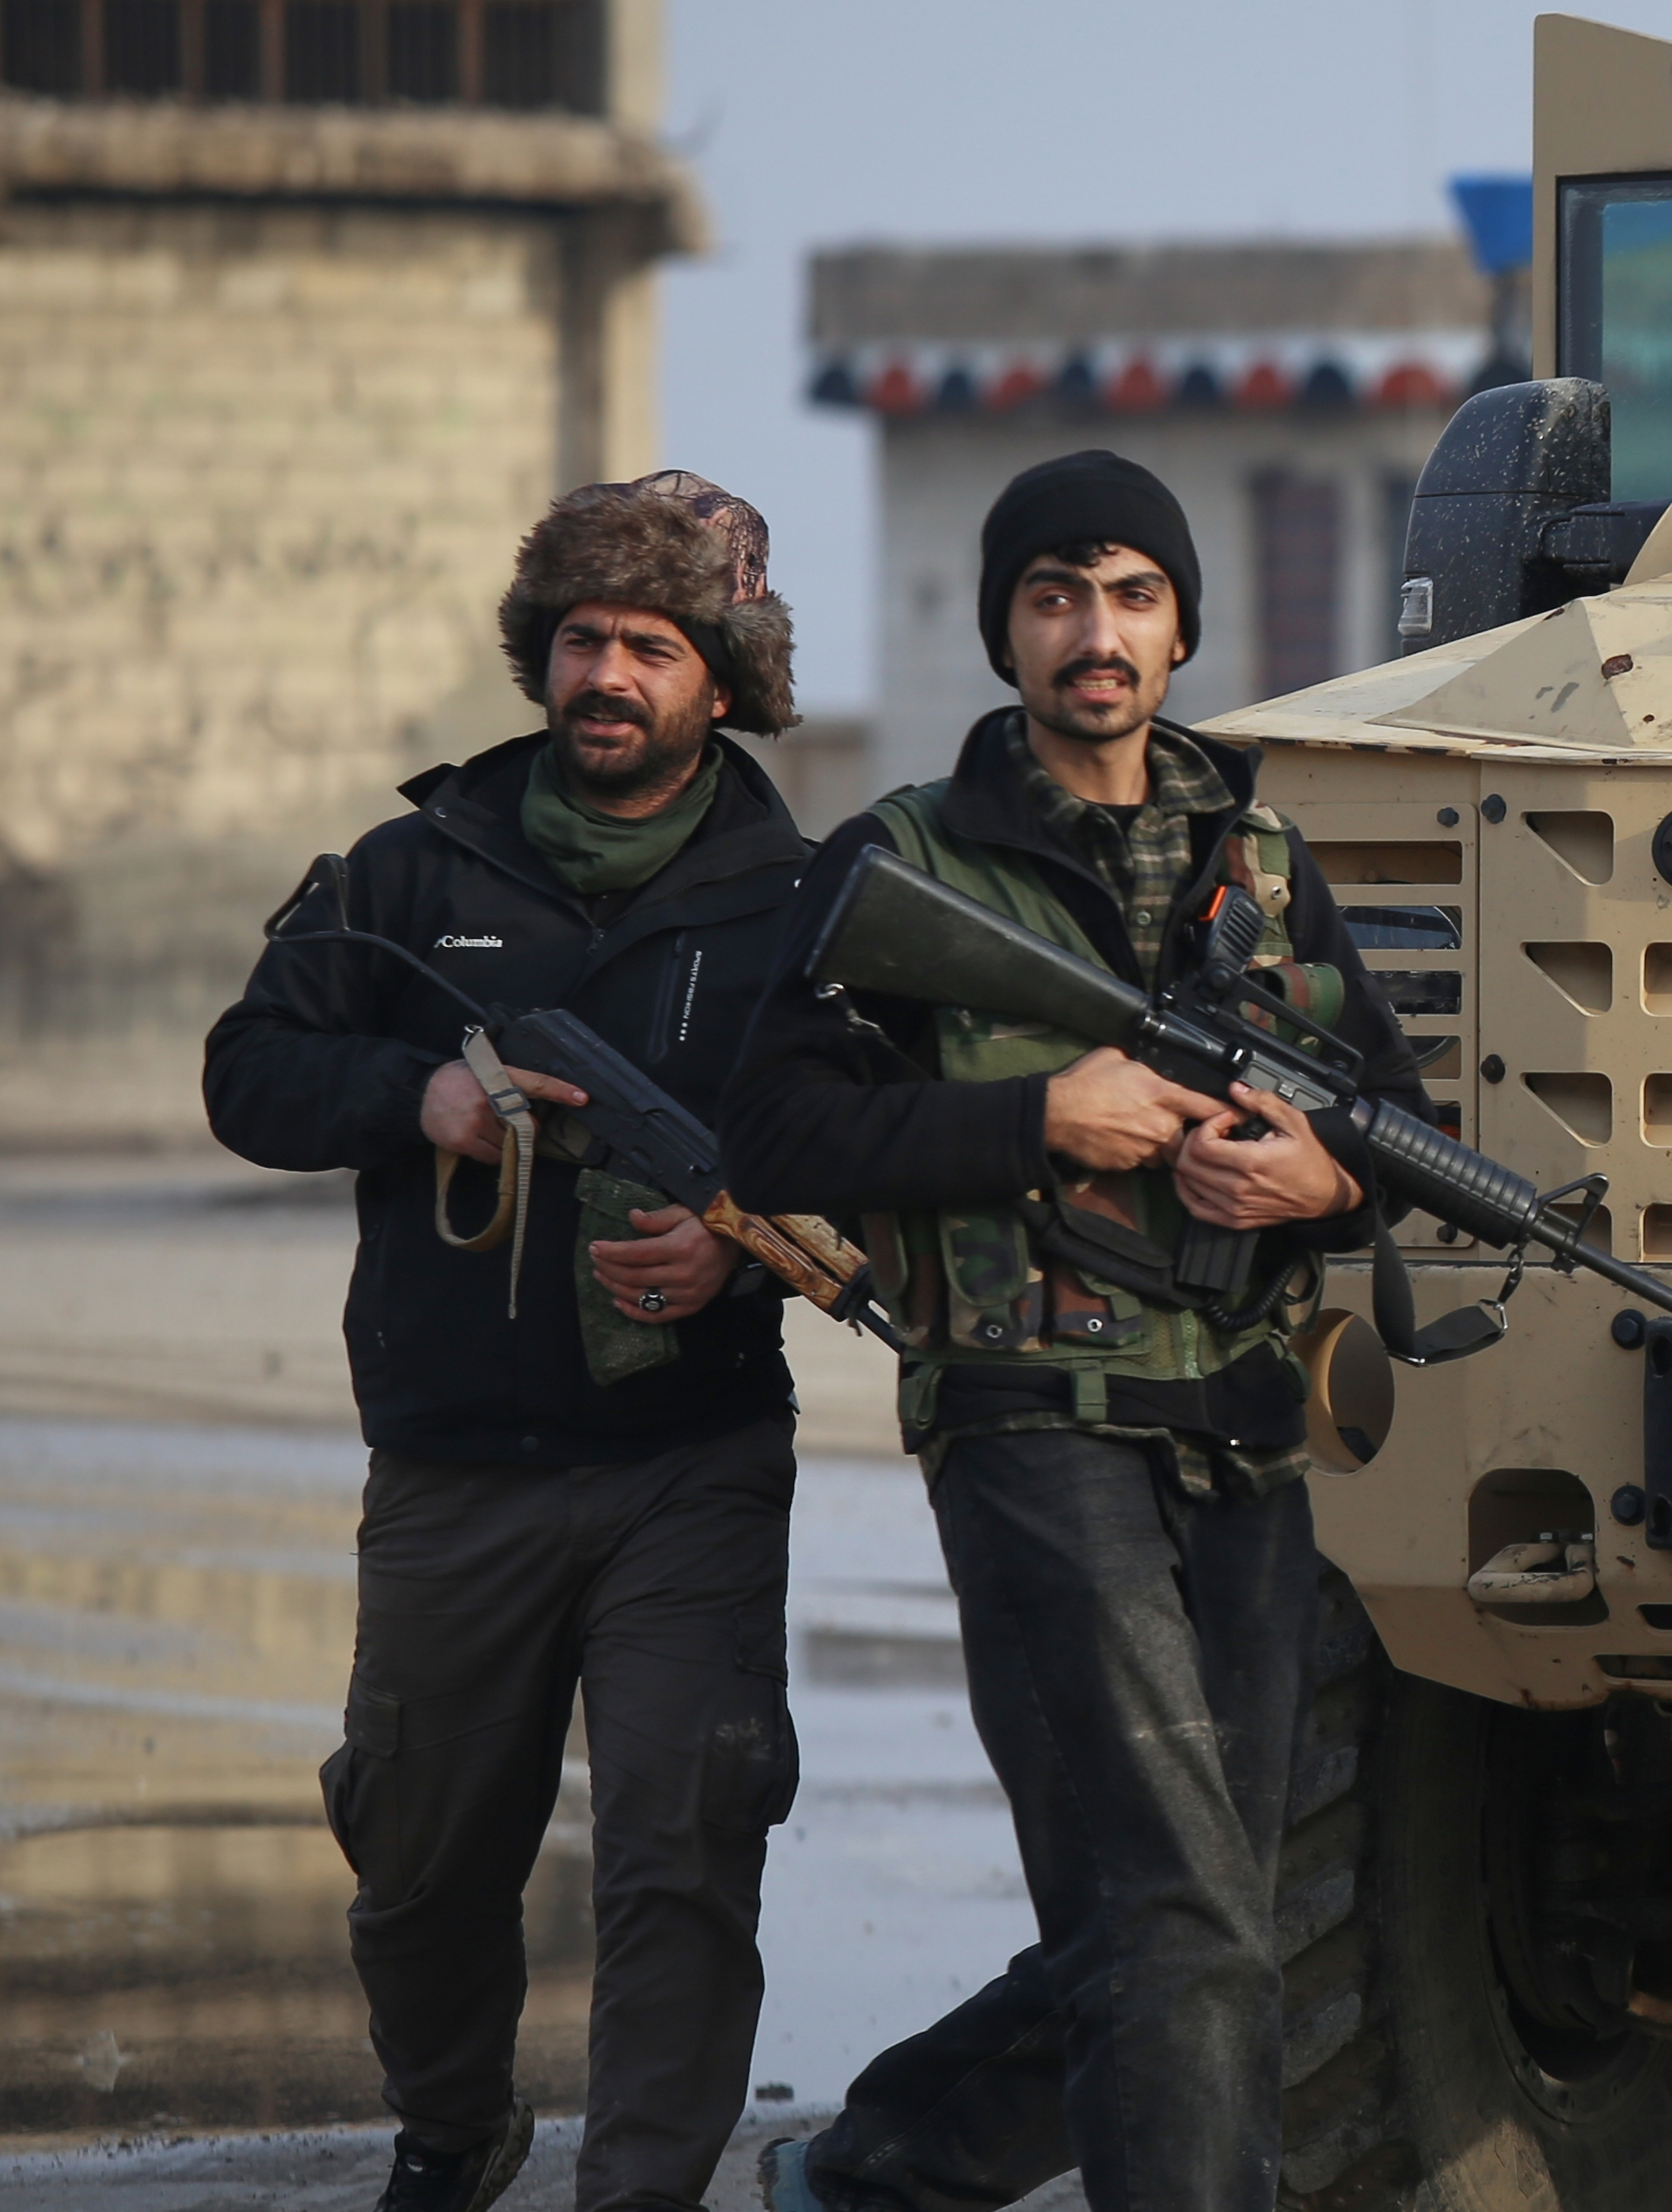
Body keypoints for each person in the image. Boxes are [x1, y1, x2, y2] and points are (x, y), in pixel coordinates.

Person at [720, 450, 1427, 2212]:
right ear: (1004, 634)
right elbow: (773, 1133)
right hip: (1032, 1418)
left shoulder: (1265, 862)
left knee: (1201, 1913)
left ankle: (875, 2172)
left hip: (1243, 1434)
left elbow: (1389, 1121)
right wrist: (1036, 1117)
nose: (1093, 633)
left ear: (1181, 629)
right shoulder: (906, 859)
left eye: (1129, 596)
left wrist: (1323, 1182)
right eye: (1053, 597)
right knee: (1180, 1915)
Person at [204, 473, 813, 2212]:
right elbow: (249, 1072)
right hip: (454, 1457)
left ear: (724, 679)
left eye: (651, 644)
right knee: (417, 1850)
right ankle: (453, 2124)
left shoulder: (801, 901)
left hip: (691, 1459)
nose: (606, 673)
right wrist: (424, 1096)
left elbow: (863, 1139)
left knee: (684, 1841)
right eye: (581, 637)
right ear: (538, 651)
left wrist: (741, 1244)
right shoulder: (412, 868)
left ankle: (641, 2188)